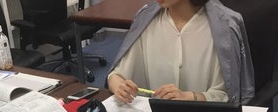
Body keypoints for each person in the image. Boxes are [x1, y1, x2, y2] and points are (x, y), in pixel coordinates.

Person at [107, 0, 254, 105]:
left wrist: (189, 97)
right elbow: (116, 75)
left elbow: (227, 96)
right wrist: (119, 86)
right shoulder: (146, 19)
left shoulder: (223, 28)